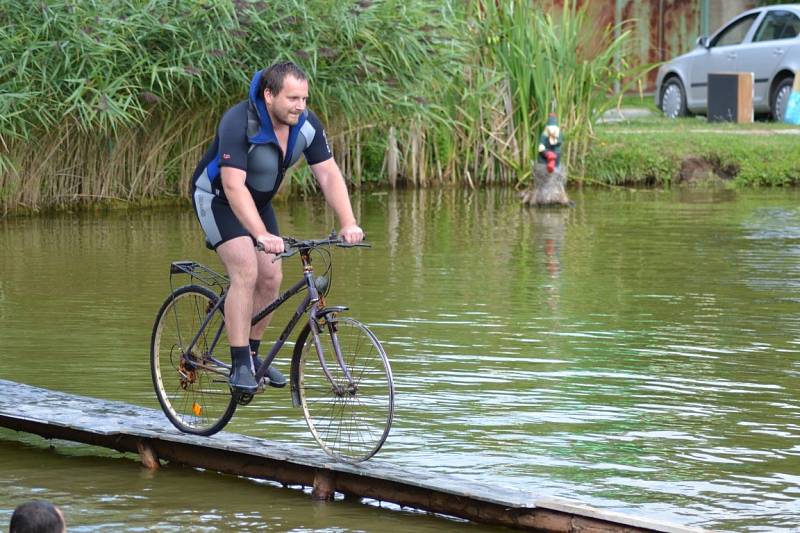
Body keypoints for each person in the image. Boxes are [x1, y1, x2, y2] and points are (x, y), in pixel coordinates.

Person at [190, 61, 364, 393]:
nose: (300, 106)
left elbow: (327, 173)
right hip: (217, 198)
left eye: (304, 99)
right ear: (269, 95)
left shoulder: (307, 125)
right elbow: (233, 186)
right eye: (292, 98)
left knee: (272, 278)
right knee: (246, 269)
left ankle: (253, 356)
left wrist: (348, 222)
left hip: (257, 203)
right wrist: (260, 235)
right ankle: (239, 364)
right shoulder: (239, 122)